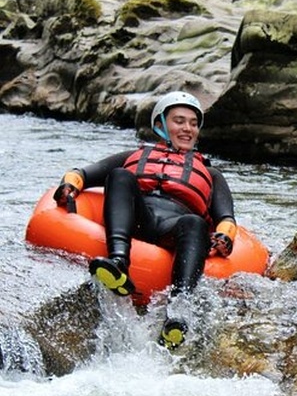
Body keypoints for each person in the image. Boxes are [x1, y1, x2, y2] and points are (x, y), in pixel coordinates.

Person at [52, 91, 237, 349]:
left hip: (175, 228)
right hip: (138, 218)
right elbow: (81, 173)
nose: (188, 129)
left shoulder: (211, 173)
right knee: (119, 175)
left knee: (195, 222)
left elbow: (226, 218)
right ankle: (118, 263)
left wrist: (225, 236)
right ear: (160, 125)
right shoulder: (132, 156)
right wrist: (69, 186)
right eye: (179, 121)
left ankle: (178, 311)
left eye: (194, 123)